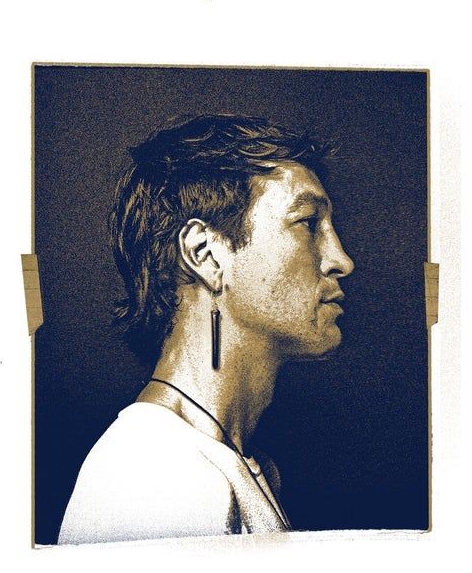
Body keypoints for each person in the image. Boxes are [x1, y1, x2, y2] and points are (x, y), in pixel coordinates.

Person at [58, 114, 354, 544]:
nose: (341, 260)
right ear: (205, 254)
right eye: (308, 223)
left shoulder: (223, 465)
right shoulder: (157, 475)